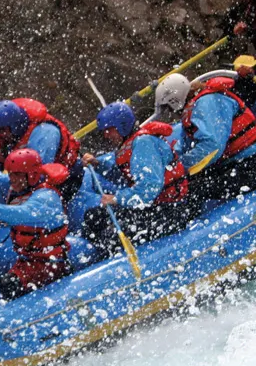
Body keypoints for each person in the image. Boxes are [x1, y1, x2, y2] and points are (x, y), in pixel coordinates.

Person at [76, 102, 189, 255]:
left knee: (111, 236)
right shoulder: (131, 144)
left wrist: (117, 199)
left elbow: (149, 189)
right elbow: (123, 175)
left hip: (170, 209)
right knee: (93, 217)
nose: (106, 135)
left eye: (109, 130)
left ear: (122, 126)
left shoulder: (144, 143)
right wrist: (98, 164)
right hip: (152, 206)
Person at [157, 72, 256, 207]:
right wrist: (169, 165)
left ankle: (190, 224)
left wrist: (181, 167)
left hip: (252, 162)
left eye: (168, 107)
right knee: (183, 184)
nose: (170, 111)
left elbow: (213, 146)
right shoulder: (194, 107)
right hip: (235, 161)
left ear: (175, 100)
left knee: (192, 190)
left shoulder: (207, 103)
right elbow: (185, 145)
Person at [0, 149, 70, 301]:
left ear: (31, 175)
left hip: (51, 263)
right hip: (27, 261)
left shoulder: (47, 197)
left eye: (17, 174)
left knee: (8, 284)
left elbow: (21, 213)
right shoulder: (17, 186)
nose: (12, 179)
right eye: (10, 174)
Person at [0, 98, 83, 202]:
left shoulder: (45, 133)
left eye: (1, 130)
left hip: (64, 174)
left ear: (15, 125)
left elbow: (37, 173)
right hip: (22, 174)